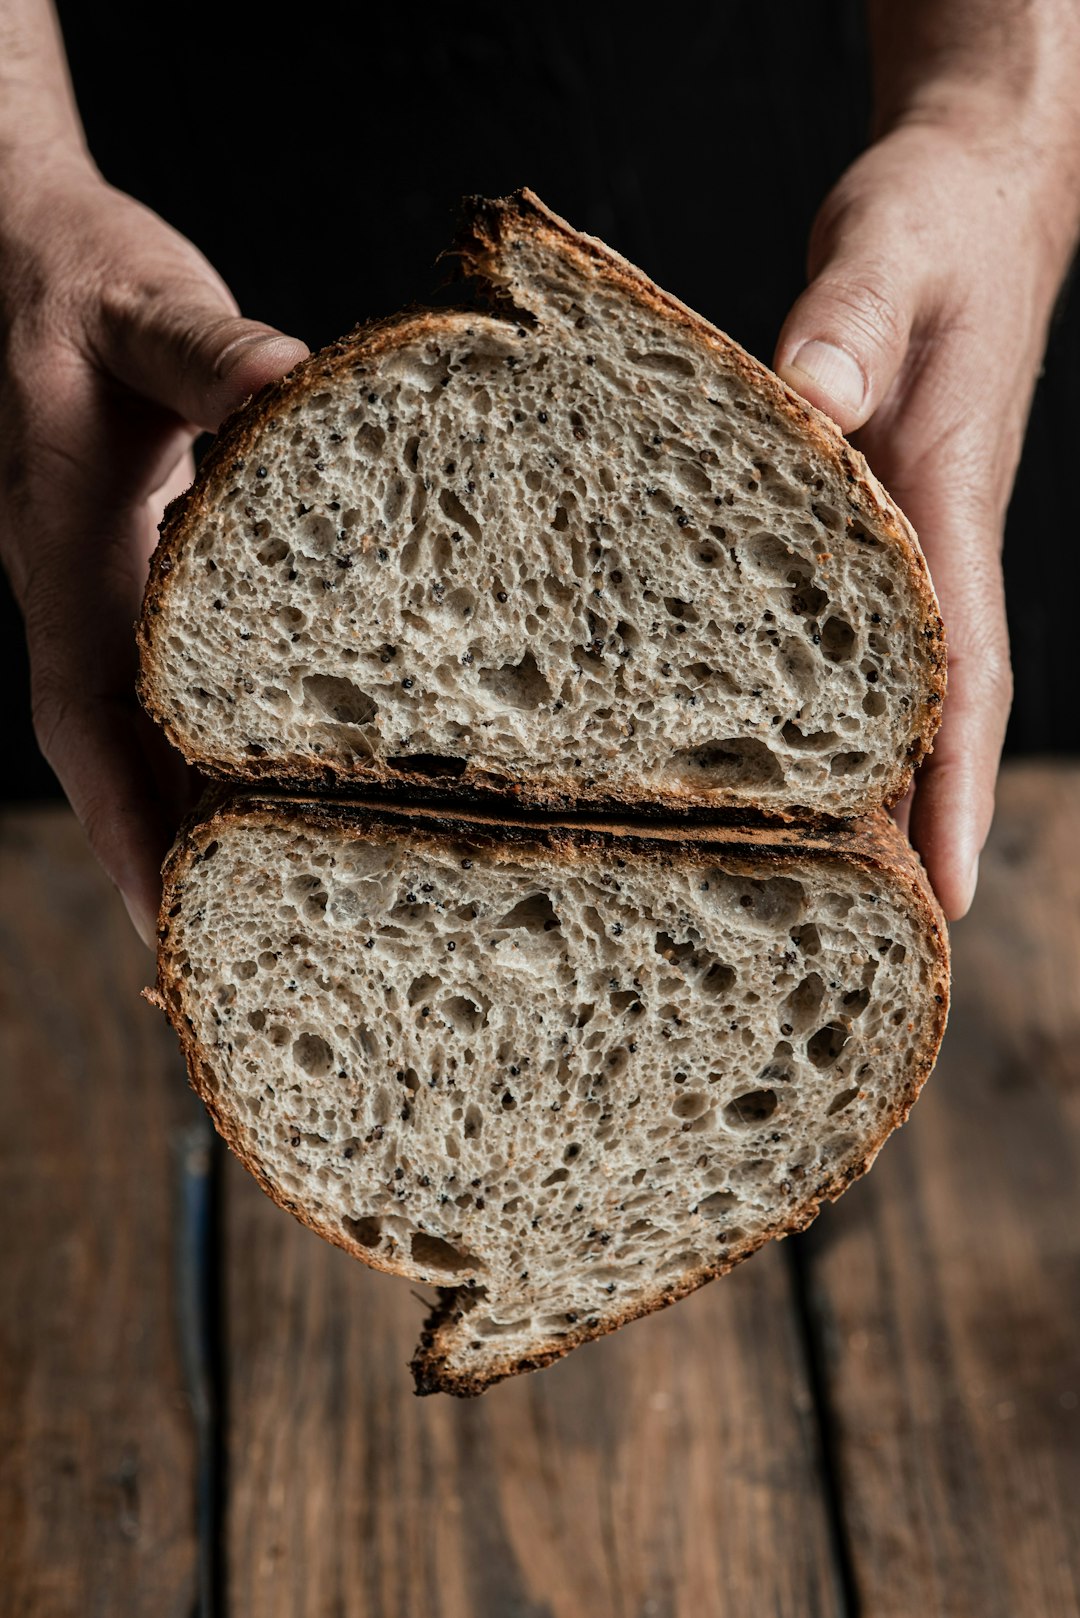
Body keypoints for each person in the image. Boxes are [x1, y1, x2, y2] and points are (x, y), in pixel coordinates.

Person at [1, 0, 1078, 946]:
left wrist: (998, 120)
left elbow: (1007, 101)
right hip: (147, 209)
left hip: (772, 156)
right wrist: (19, 186)